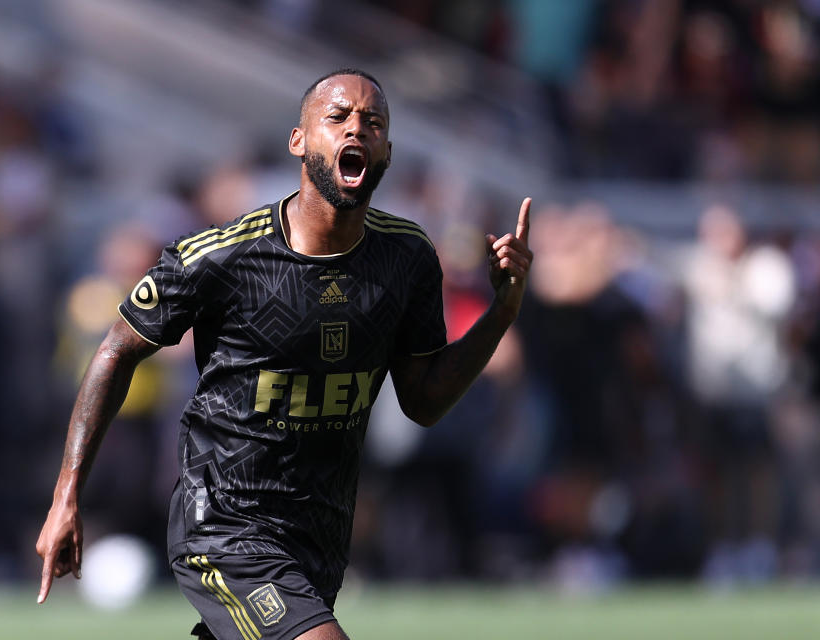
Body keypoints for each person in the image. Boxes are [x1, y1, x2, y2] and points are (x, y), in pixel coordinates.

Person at [36, 68, 533, 640]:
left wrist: (501, 313)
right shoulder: (223, 258)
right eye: (338, 117)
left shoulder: (407, 258)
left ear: (388, 151)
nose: (356, 130)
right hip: (223, 525)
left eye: (373, 123)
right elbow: (115, 350)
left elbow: (423, 399)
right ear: (299, 141)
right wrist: (67, 494)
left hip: (319, 533)